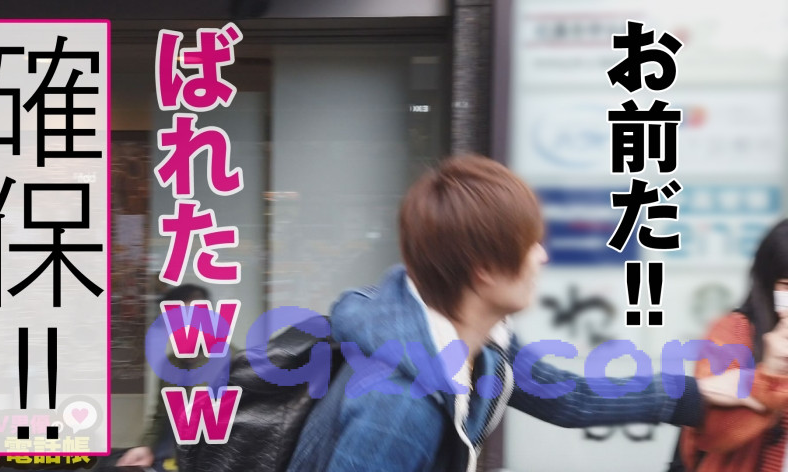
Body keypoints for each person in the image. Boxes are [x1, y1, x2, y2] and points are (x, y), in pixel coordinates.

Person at [287, 154, 762, 472]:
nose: (542, 257)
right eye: (529, 245)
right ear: (483, 270)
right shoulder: (399, 408)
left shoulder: (479, 341)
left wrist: (692, 394)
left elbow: (568, 397)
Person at [679, 219, 788, 471]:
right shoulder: (734, 332)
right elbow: (712, 436)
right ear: (767, 285)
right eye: (787, 285)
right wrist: (771, 374)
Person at [116, 284, 211, 470]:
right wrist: (146, 446)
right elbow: (160, 415)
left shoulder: (233, 364)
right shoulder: (170, 364)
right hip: (165, 459)